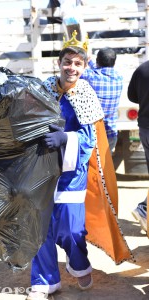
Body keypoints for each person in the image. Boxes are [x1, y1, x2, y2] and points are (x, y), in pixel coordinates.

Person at [26, 39, 133, 300]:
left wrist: (66, 139)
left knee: (71, 228)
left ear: (84, 67)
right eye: (67, 62)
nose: (71, 67)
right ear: (59, 64)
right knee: (40, 228)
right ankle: (44, 281)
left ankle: (78, 263)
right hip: (42, 170)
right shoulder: (44, 89)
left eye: (77, 63)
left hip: (71, 174)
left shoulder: (86, 94)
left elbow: (90, 142)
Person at [80, 47, 123, 153]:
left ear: (97, 61)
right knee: (105, 167)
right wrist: (89, 61)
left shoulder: (89, 76)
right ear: (114, 62)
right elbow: (99, 71)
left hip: (93, 135)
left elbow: (74, 72)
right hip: (111, 135)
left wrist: (85, 60)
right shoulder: (119, 77)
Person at [127, 60, 149, 233]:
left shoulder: (142, 68)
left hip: (145, 128)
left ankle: (144, 209)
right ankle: (144, 209)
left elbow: (132, 96)